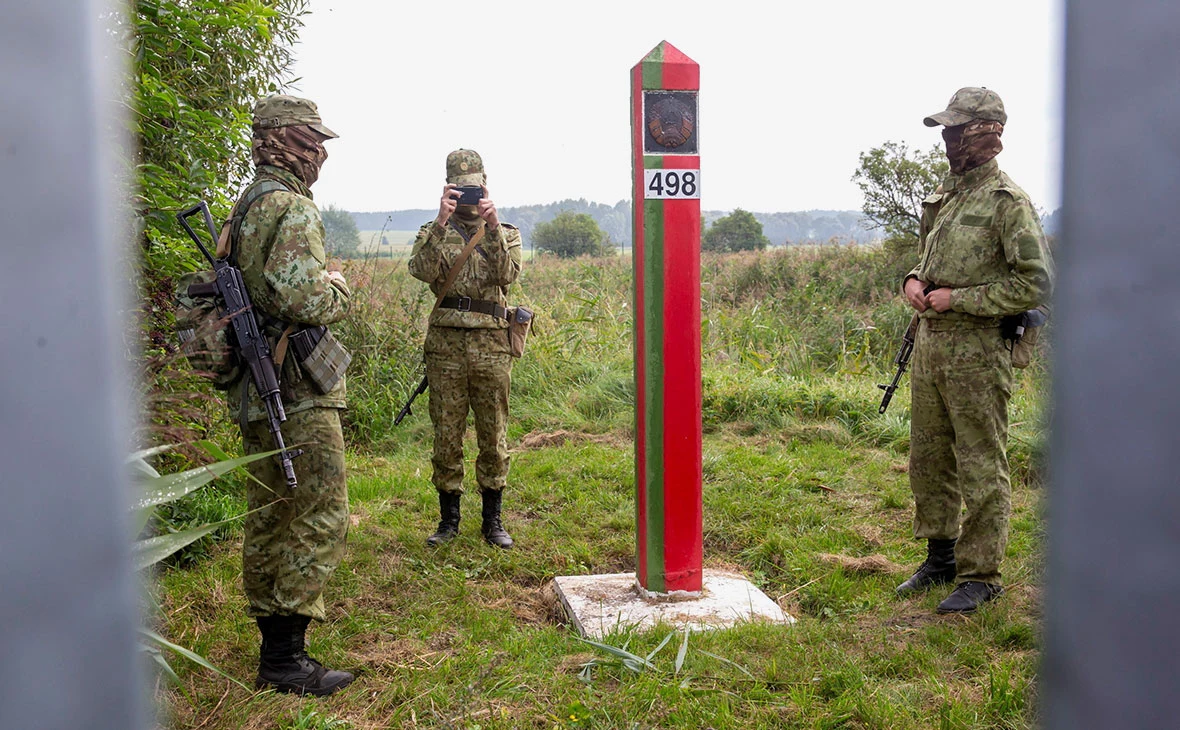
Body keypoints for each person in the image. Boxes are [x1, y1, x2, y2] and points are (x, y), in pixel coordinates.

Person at [895, 87, 1054, 613]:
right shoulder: (950, 195)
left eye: (956, 129)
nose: (947, 138)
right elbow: (930, 258)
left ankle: (981, 575)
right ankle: (940, 558)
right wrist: (913, 280)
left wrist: (958, 299)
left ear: (985, 133)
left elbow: (1036, 284)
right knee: (930, 458)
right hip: (931, 349)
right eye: (946, 129)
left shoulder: (1009, 203)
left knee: (981, 463)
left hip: (979, 353)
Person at [231, 94, 354, 694]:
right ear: (288, 140)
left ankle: (272, 648)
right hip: (295, 390)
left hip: (255, 385)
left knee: (270, 514)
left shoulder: (245, 206)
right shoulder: (292, 209)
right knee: (321, 513)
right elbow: (301, 299)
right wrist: (337, 290)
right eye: (314, 140)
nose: (321, 153)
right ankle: (285, 660)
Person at [408, 149, 523, 549]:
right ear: (449, 188)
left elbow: (505, 275)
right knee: (446, 432)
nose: (469, 197)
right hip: (446, 347)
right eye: (462, 189)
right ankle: (448, 521)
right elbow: (421, 270)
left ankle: (493, 521)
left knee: (493, 434)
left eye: (476, 188)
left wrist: (491, 225)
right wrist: (441, 220)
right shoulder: (432, 231)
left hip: (492, 344)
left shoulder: (505, 233)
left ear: (486, 185)